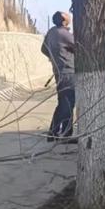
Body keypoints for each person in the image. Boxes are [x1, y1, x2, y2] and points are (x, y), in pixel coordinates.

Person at [41, 11, 76, 142]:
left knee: (63, 102)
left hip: (59, 71)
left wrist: (54, 57)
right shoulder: (64, 34)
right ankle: (61, 134)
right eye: (67, 16)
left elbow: (43, 49)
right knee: (67, 104)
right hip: (68, 72)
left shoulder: (51, 32)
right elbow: (79, 46)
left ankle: (56, 133)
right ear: (63, 21)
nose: (70, 16)